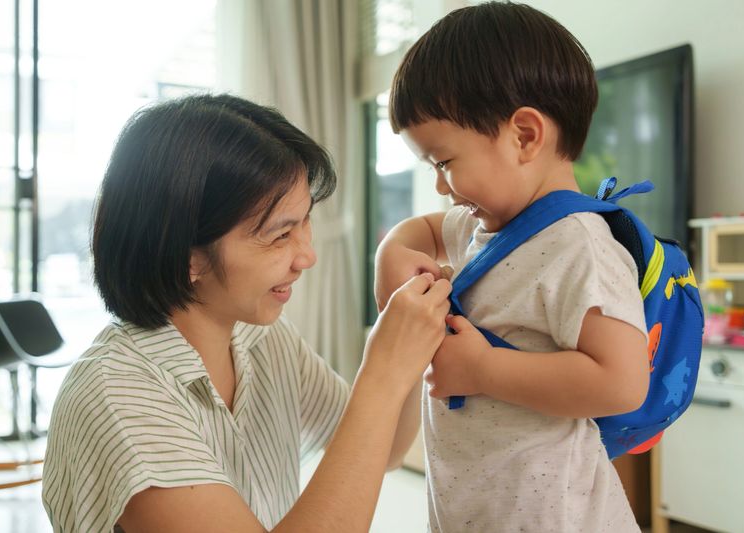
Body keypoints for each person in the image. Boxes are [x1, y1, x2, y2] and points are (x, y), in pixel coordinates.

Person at [42, 94, 452, 533]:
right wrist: (383, 371)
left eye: (305, 221)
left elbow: (384, 448)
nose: (306, 256)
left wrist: (406, 345)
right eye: (280, 235)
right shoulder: (117, 398)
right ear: (187, 257)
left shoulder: (261, 339)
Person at [375, 2, 650, 531]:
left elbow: (621, 382)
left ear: (524, 135)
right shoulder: (484, 226)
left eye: (444, 163)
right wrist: (393, 251)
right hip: (477, 503)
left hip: (555, 516)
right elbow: (427, 229)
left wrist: (482, 370)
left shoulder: (579, 246)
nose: (440, 186)